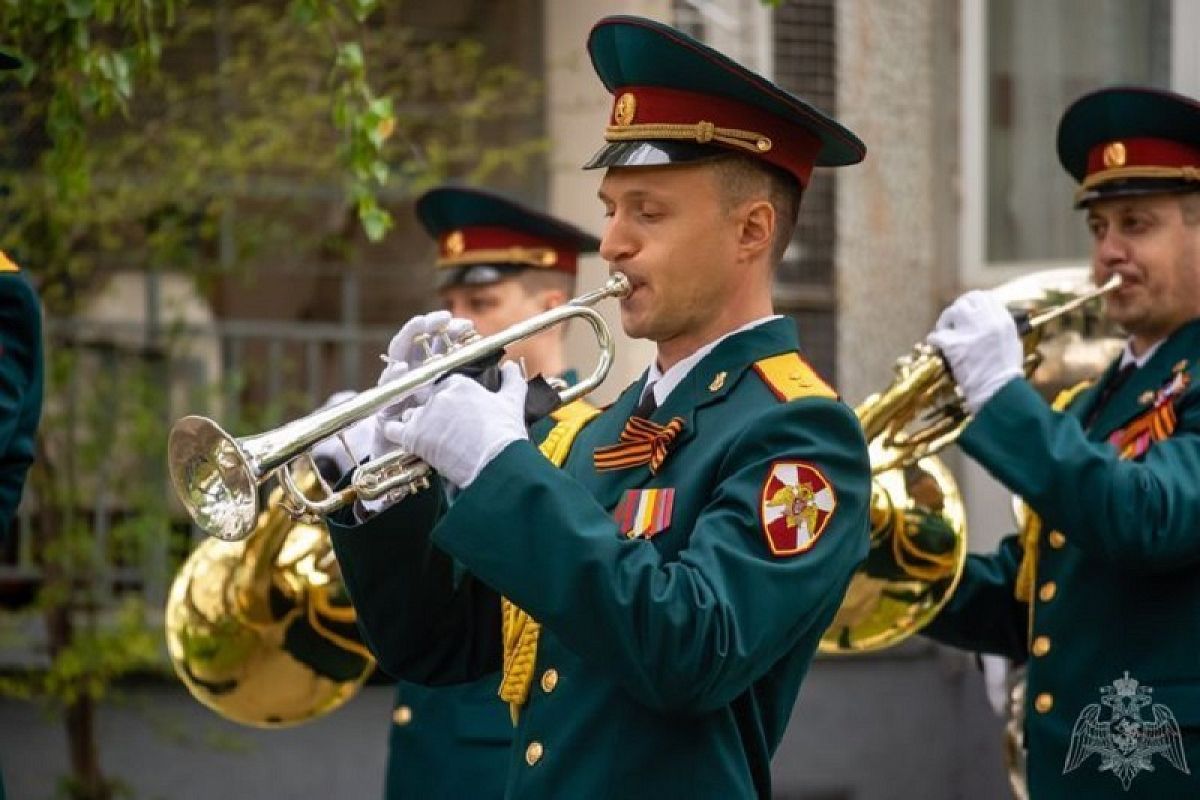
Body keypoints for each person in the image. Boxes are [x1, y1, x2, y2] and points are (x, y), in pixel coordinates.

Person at [326, 16, 871, 799]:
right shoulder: (596, 432)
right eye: (610, 208)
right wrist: (380, 493)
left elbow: (692, 651)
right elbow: (446, 649)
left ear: (750, 230)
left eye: (647, 212)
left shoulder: (799, 432)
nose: (612, 242)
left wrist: (496, 465)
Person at [922, 86, 1200, 797]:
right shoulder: (1106, 395)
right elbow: (1033, 596)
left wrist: (997, 397)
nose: (1108, 253)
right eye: (1099, 226)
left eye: (1136, 224)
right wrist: (876, 545)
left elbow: (1145, 516)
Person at [315, 185, 600, 800]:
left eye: (483, 300)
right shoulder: (427, 428)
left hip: (501, 761)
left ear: (552, 304)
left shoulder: (591, 440)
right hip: (422, 752)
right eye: (449, 300)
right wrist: (357, 484)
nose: (458, 321)